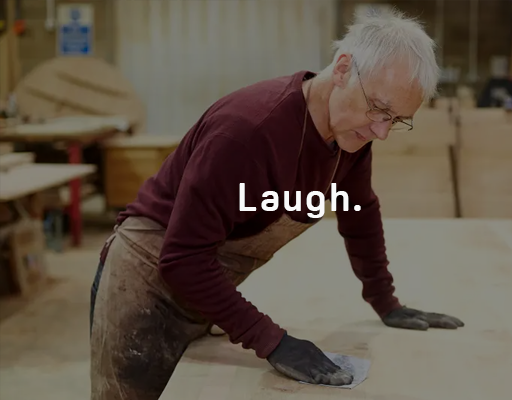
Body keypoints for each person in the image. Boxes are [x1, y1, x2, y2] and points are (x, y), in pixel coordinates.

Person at [89, 7, 464, 399]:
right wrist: (274, 341)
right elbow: (182, 258)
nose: (382, 132)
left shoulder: (350, 136)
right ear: (341, 69)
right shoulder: (248, 132)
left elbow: (359, 211)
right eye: (379, 109)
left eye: (397, 120)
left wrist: (385, 301)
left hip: (201, 291)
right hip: (145, 282)